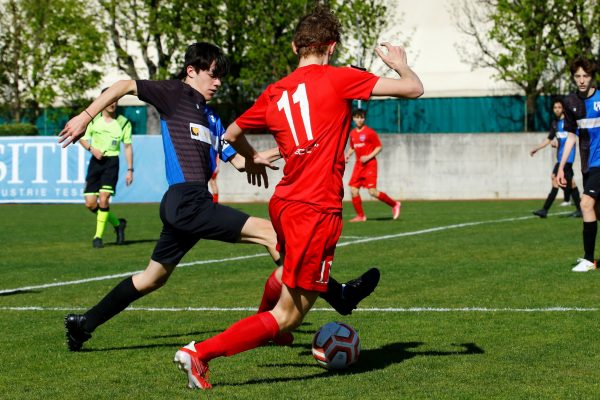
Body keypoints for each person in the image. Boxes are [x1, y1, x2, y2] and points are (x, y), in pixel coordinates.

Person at [58, 42, 380, 352]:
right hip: (186, 201)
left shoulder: (210, 117)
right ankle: (337, 295)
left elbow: (235, 157)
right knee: (272, 233)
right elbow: (124, 85)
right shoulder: (174, 95)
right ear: (191, 70)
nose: (218, 82)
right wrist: (85, 117)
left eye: (220, 76)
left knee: (152, 278)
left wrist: (252, 159)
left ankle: (83, 323)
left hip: (187, 206)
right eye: (212, 74)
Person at [172, 7, 423, 390]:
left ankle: (278, 321)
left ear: (294, 46)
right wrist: (399, 64)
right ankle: (199, 354)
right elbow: (413, 88)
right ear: (332, 46)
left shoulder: (276, 91)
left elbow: (232, 131)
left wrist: (253, 156)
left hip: (285, 201)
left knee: (284, 275)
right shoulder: (341, 79)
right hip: (315, 208)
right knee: (289, 315)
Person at [557, 56, 600, 272]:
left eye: (585, 76)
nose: (582, 80)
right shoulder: (571, 103)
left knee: (585, 204)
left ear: (592, 77)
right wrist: (562, 167)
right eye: (577, 76)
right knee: (596, 210)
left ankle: (589, 260)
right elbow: (570, 138)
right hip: (588, 165)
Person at [78, 89, 133, 248]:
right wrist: (92, 149)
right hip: (95, 162)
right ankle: (118, 224)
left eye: (115, 99)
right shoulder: (93, 120)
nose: (113, 103)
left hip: (111, 162)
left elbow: (128, 146)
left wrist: (130, 170)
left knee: (103, 199)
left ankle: (97, 237)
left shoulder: (123, 122)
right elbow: (82, 138)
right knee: (90, 203)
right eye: (109, 100)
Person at [346, 108, 401, 222]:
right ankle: (361, 216)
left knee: (372, 192)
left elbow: (379, 147)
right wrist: (347, 155)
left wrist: (368, 156)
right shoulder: (352, 133)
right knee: (353, 190)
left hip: (370, 164)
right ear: (353, 118)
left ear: (364, 119)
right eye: (357, 117)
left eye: (362, 117)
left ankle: (395, 204)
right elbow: (353, 147)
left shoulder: (369, 132)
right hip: (358, 166)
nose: (360, 120)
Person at [530, 99, 582, 218]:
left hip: (568, 158)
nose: (557, 109)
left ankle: (545, 209)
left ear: (563, 108)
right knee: (571, 183)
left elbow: (573, 139)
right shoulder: (555, 123)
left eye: (559, 107)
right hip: (560, 159)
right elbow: (549, 139)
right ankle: (579, 208)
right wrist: (537, 148)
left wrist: (559, 144)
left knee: (555, 179)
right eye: (555, 107)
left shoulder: (569, 121)